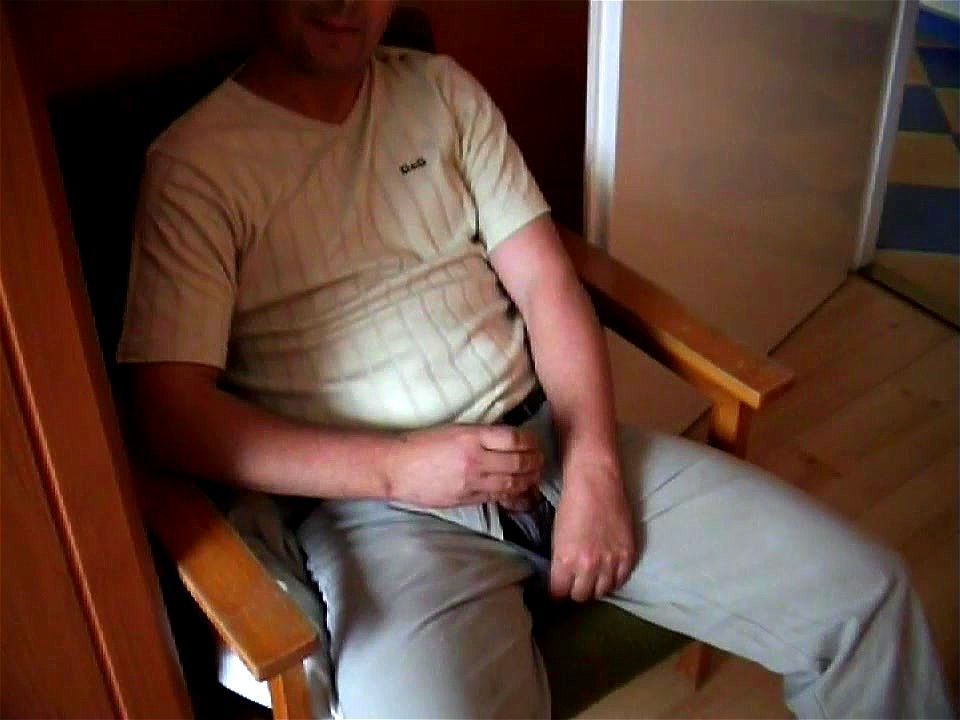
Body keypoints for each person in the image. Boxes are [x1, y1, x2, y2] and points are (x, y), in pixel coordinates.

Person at [118, 1, 953, 717]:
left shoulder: (440, 90)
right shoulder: (197, 164)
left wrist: (593, 464)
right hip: (381, 518)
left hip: (549, 441)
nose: (345, 2)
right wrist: (401, 469)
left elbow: (549, 282)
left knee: (866, 602)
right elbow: (173, 419)